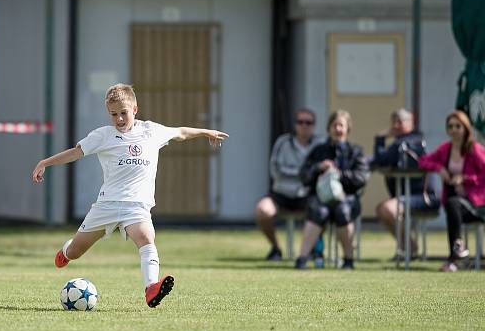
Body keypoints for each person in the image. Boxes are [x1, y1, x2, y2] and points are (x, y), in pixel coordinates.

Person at [31, 84, 228, 308]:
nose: (119, 119)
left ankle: (151, 288)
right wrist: (45, 162)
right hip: (106, 205)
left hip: (137, 206)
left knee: (146, 237)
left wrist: (205, 132)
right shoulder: (103, 135)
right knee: (76, 251)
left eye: (123, 113)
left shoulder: (151, 131)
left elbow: (180, 132)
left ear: (135, 109)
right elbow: (76, 153)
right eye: (113, 114)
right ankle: (65, 252)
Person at [295, 110, 369, 270]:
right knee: (318, 211)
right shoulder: (319, 150)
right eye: (334, 125)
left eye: (341, 125)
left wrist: (339, 174)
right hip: (321, 198)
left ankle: (348, 260)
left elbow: (361, 178)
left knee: (342, 211)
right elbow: (303, 176)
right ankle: (301, 259)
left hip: (347, 199)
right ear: (328, 128)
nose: (337, 129)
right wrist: (318, 168)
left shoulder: (355, 151)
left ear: (348, 128)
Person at [419, 111, 485, 272]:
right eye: (450, 126)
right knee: (451, 204)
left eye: (458, 126)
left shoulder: (474, 149)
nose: (454, 129)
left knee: (452, 204)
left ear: (465, 128)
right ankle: (457, 255)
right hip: (455, 203)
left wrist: (465, 178)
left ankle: (455, 257)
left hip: (476, 203)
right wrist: (439, 168)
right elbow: (423, 162)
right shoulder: (445, 149)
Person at [255, 108, 323, 261]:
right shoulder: (283, 142)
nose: (304, 125)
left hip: (307, 194)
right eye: (300, 122)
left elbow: (320, 172)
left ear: (314, 125)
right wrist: (304, 173)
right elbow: (275, 170)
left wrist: (303, 174)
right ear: (295, 125)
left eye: (308, 122)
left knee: (323, 210)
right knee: (262, 211)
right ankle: (275, 248)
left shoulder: (321, 144)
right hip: (281, 194)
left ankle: (312, 249)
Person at [370, 109, 427, 259]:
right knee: (382, 210)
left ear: (411, 122)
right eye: (394, 122)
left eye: (400, 121)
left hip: (423, 197)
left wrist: (380, 138)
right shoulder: (399, 142)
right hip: (405, 196)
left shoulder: (412, 142)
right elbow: (382, 159)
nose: (395, 125)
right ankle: (408, 248)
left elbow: (381, 159)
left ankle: (410, 248)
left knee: (387, 209)